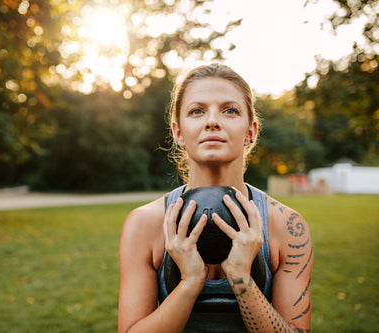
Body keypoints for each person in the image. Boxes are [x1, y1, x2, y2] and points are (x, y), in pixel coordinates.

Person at [118, 63, 313, 333]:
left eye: (229, 110)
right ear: (178, 132)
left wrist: (242, 279)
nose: (212, 121)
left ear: (251, 132)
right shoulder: (145, 224)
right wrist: (190, 282)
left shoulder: (287, 226)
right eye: (197, 111)